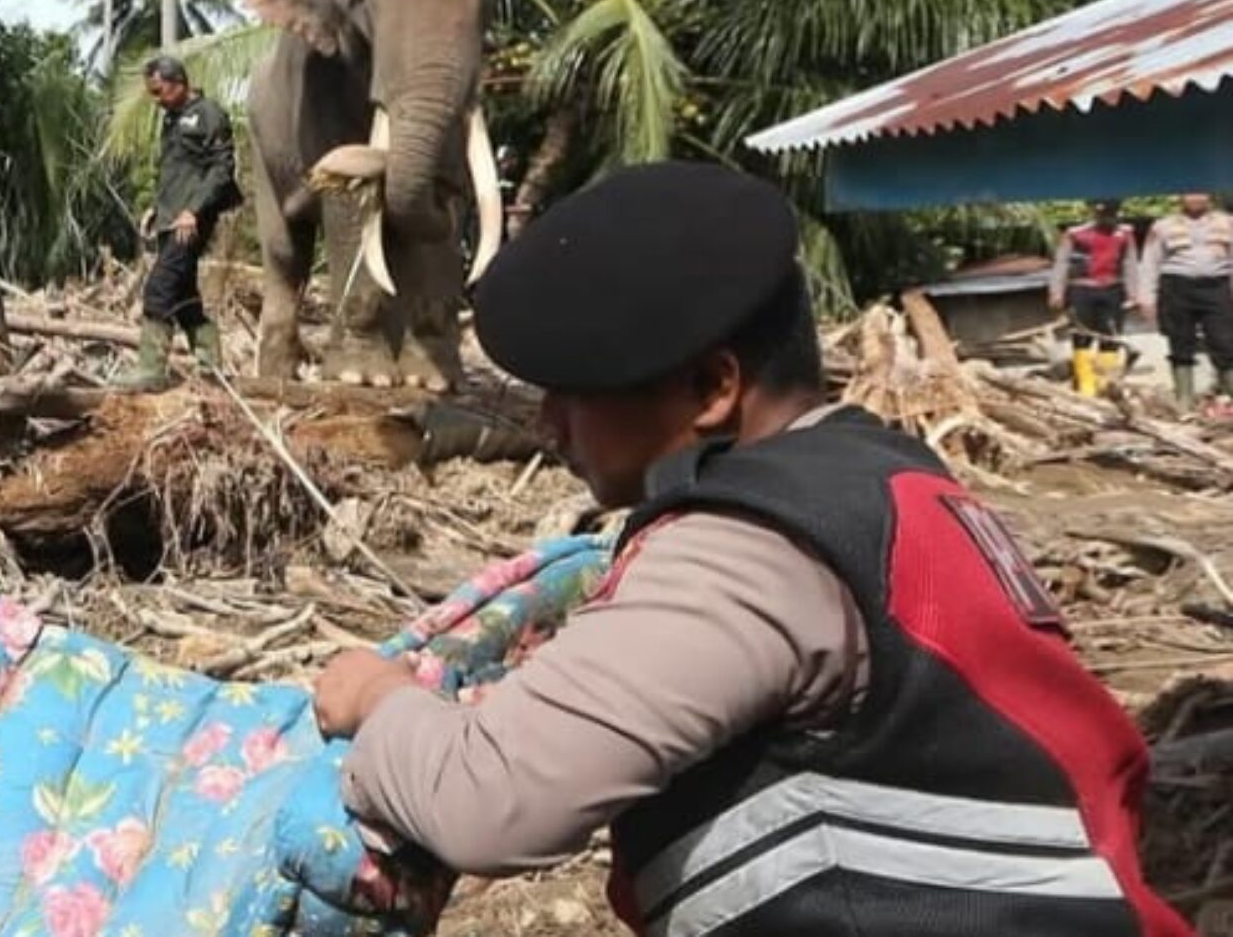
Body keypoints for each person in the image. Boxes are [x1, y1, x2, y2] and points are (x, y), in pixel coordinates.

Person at [313, 162, 1187, 936]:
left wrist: (380, 698)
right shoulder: (884, 483)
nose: (548, 426)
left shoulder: (752, 548)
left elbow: (491, 804)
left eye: (573, 395)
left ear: (709, 387)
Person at [119, 55, 240, 389]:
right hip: (172, 218)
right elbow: (178, 172)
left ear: (178, 83)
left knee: (158, 289)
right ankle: (210, 366)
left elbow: (221, 170)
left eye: (159, 91)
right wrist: (158, 210)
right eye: (152, 94)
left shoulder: (208, 114)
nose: (156, 101)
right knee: (183, 295)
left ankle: (151, 371)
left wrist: (194, 211)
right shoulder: (172, 119)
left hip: (193, 221)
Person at [1137, 192, 1233, 409]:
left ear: (1209, 196)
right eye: (1189, 193)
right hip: (1176, 287)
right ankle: (1184, 399)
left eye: (1200, 193)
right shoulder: (1162, 226)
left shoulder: (1227, 222)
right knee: (1180, 341)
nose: (1195, 198)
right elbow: (1150, 262)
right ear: (1180, 197)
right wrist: (1146, 298)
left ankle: (1229, 392)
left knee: (1224, 341)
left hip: (1216, 286)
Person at [1050, 199, 1138, 396]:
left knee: (1111, 337)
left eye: (1109, 213)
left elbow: (1130, 263)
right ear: (1093, 212)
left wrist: (1133, 292)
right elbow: (1061, 262)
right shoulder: (1076, 233)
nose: (1105, 217)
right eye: (1101, 213)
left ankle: (1104, 384)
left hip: (1113, 289)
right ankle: (1086, 386)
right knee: (1081, 336)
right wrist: (1056, 291)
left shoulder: (1124, 233)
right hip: (1082, 290)